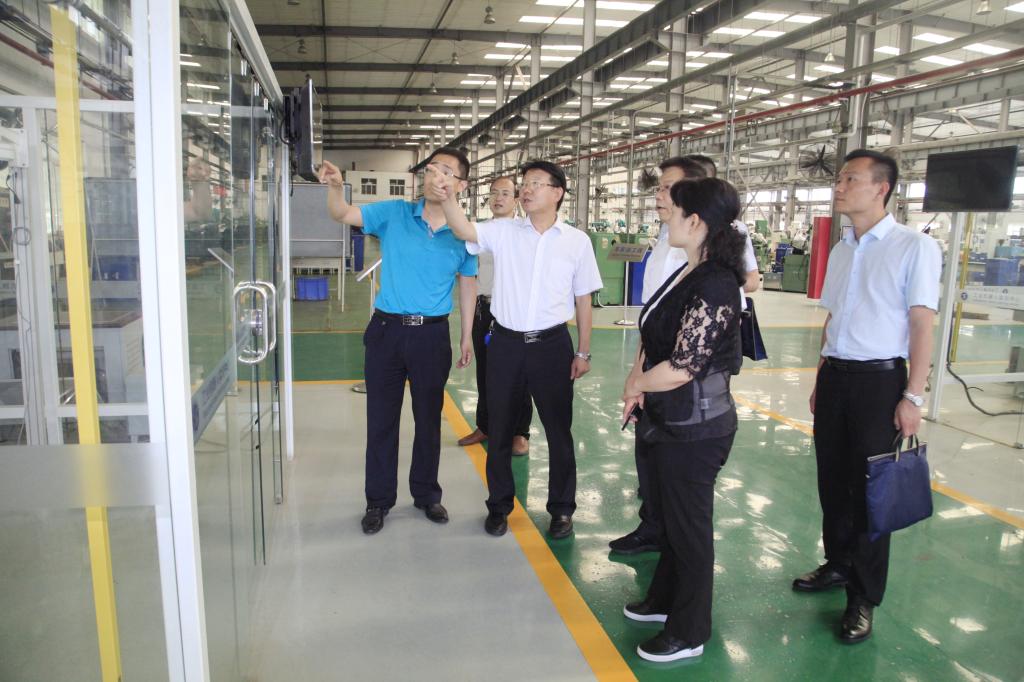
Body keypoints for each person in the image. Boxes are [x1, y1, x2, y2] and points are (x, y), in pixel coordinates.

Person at [792, 149, 940, 644]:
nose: (839, 187)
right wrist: (820, 377)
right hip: (836, 377)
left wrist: (913, 397)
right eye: (839, 179)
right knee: (832, 481)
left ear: (882, 188)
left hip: (880, 383)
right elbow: (833, 318)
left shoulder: (914, 247)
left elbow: (921, 325)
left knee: (872, 493)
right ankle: (838, 564)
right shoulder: (842, 249)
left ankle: (864, 595)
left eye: (850, 179)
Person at [432, 160, 602, 540]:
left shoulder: (576, 242)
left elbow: (583, 299)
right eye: (525, 183)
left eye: (536, 184)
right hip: (506, 344)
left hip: (552, 346)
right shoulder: (504, 231)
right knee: (500, 430)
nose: (526, 190)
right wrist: (447, 197)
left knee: (559, 431)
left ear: (557, 193)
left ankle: (562, 509)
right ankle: (498, 506)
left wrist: (583, 351)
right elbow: (463, 229)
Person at [318, 148, 478, 535]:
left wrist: (466, 335)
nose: (436, 177)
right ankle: (378, 500)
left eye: (446, 171)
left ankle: (426, 494)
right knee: (381, 421)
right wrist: (336, 188)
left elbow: (468, 285)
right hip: (387, 332)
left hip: (432, 336)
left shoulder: (465, 234)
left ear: (461, 185)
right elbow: (342, 214)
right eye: (432, 169)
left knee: (429, 421)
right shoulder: (394, 213)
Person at [620, 177, 745, 662]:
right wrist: (638, 383)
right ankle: (664, 600)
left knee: (689, 530)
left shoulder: (716, 283)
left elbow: (683, 366)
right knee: (671, 520)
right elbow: (655, 338)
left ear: (695, 221)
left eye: (670, 211)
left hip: (696, 428)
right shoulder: (689, 269)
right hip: (667, 418)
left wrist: (637, 385)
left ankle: (690, 631)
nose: (664, 218)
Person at [611, 156, 707, 555]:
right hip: (653, 365)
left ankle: (676, 542)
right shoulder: (666, 242)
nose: (658, 195)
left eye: (668, 188)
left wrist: (647, 378)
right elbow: (650, 318)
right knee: (648, 448)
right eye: (659, 187)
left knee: (678, 466)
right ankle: (651, 525)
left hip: (686, 374)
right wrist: (636, 376)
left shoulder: (714, 250)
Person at [458, 176, 533, 456]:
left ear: (517, 199)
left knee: (518, 374)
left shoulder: (526, 231)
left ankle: (519, 432)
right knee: (485, 372)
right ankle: (485, 426)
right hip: (485, 308)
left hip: (515, 311)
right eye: (493, 193)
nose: (498, 198)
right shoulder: (479, 231)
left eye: (505, 193)